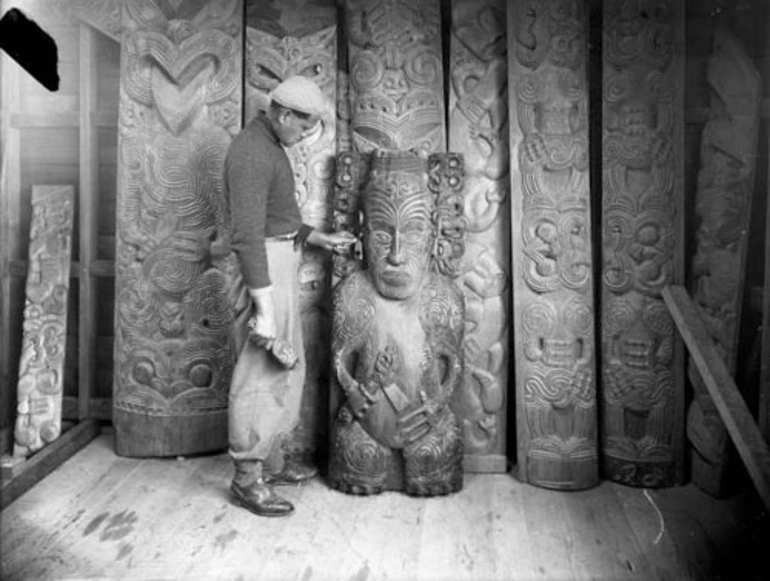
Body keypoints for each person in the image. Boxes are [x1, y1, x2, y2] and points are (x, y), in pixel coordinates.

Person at [224, 76, 356, 517]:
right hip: (263, 268)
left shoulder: (268, 145)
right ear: (283, 115)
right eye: (301, 128)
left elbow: (273, 217)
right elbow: (246, 236)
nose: (302, 138)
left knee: (282, 367)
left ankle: (270, 462)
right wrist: (264, 310)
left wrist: (316, 236)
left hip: (278, 260)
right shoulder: (251, 153)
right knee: (261, 374)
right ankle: (247, 479)